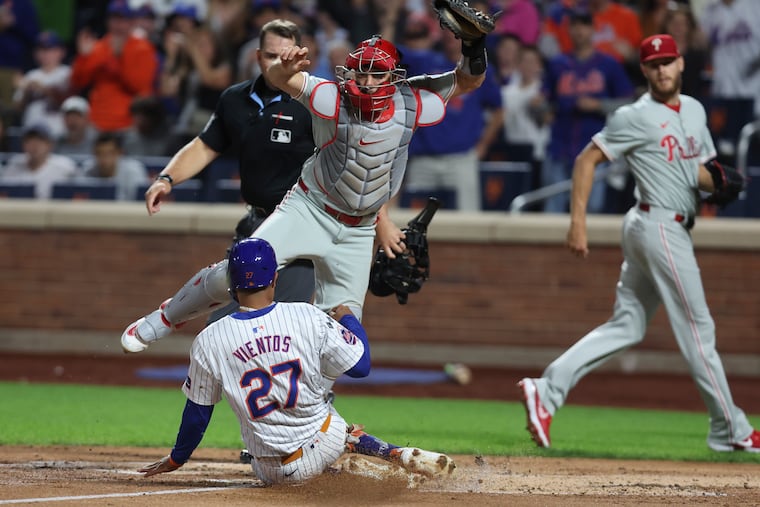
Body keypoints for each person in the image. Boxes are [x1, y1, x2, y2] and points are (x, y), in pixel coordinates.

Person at [120, 22, 489, 353]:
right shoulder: (333, 96)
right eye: (361, 73)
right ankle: (166, 318)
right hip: (310, 208)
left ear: (394, 76)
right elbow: (282, 80)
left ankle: (319, 420)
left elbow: (468, 79)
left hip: (359, 228)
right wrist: (285, 66)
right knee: (239, 270)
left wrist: (473, 44)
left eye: (377, 74)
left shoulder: (412, 102)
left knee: (342, 347)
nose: (366, 82)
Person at [518, 34, 760, 453]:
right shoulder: (634, 116)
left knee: (627, 325)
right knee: (699, 331)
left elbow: (701, 171)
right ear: (644, 70)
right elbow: (585, 159)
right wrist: (578, 222)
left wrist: (719, 182)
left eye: (668, 61)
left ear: (681, 63)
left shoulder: (696, 109)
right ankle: (732, 429)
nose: (662, 69)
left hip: (666, 225)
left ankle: (547, 389)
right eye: (653, 64)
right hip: (658, 226)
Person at [136, 237, 455, 484]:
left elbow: (197, 414)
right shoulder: (306, 315)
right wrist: (348, 319)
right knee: (329, 417)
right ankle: (393, 456)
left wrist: (177, 459)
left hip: (268, 471)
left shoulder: (208, 339)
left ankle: (368, 470)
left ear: (231, 284)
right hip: (326, 442)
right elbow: (361, 367)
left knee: (304, 446)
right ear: (274, 278)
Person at [123, 19, 317, 340]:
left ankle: (311, 392)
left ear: (299, 57)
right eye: (270, 56)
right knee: (220, 329)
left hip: (304, 229)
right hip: (257, 222)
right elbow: (205, 145)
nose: (277, 64)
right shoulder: (236, 99)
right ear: (257, 57)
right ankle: (170, 316)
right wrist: (167, 178)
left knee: (287, 332)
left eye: (284, 57)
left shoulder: (316, 103)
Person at [538, 9, 634, 214]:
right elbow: (546, 101)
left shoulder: (608, 64)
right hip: (560, 145)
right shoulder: (558, 64)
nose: (579, 30)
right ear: (569, 30)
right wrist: (541, 108)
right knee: (553, 208)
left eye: (584, 25)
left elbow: (628, 101)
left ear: (593, 29)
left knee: (592, 208)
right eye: (575, 25)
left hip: (594, 145)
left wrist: (599, 105)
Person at [70, 0, 159, 132]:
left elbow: (141, 88)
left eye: (122, 19)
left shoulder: (143, 48)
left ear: (131, 22)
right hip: (97, 121)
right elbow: (78, 83)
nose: (118, 25)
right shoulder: (99, 47)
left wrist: (119, 59)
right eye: (114, 19)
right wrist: (83, 57)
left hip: (129, 122)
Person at [698, 0, 760, 117]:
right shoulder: (710, 11)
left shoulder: (755, 5)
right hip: (723, 93)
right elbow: (701, 48)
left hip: (755, 94)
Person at [0, 123, 78, 199]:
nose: (34, 144)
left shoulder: (65, 167)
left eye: (40, 140)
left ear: (50, 144)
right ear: (23, 144)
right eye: (30, 140)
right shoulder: (14, 165)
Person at [78, 131, 150, 200]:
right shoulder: (87, 169)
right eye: (99, 153)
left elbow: (140, 202)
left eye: (109, 153)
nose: (104, 158)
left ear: (119, 153)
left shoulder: (133, 171)